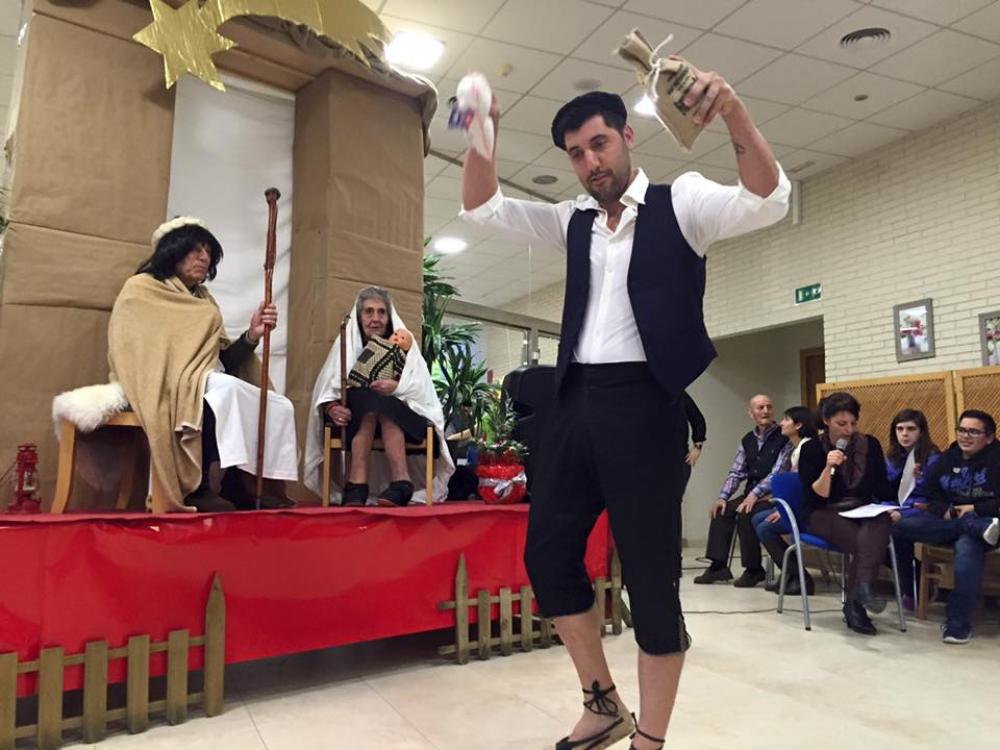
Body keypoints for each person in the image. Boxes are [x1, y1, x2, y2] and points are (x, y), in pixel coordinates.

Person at [460, 65, 789, 747]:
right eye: (576, 153)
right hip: (573, 403)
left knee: (651, 578)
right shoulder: (573, 222)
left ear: (627, 137)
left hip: (646, 407)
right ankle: (603, 702)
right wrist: (481, 135)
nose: (590, 162)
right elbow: (482, 208)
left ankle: (651, 740)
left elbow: (768, 199)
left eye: (599, 144)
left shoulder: (682, 203)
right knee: (548, 557)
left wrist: (731, 109)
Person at [108, 217, 298, 513]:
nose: (204, 257)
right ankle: (198, 487)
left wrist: (252, 335)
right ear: (172, 250)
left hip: (202, 380)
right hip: (156, 381)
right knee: (222, 391)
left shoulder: (204, 299)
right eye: (196, 249)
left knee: (276, 403)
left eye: (208, 251)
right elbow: (135, 354)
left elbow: (221, 362)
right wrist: (184, 376)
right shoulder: (141, 288)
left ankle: (242, 481)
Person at [303, 286, 453, 506]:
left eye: (382, 312)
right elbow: (328, 389)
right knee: (369, 402)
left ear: (389, 317)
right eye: (369, 312)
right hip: (354, 419)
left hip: (406, 419)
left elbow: (421, 389)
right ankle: (401, 481)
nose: (375, 319)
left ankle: (357, 483)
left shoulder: (404, 348)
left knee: (378, 402)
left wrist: (397, 386)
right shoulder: (345, 346)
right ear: (359, 316)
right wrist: (332, 408)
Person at [892, 410, 1000, 644]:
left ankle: (958, 623)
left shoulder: (997, 458)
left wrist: (976, 509)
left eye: (974, 432)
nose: (965, 436)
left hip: (991, 523)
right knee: (900, 526)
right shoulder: (947, 458)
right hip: (954, 522)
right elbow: (932, 495)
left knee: (967, 547)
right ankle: (972, 526)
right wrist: (947, 510)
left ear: (989, 437)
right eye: (962, 430)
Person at [797, 392, 894, 635]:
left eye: (853, 423)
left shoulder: (870, 444)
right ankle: (857, 603)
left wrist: (902, 489)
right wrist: (828, 467)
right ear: (826, 420)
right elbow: (816, 498)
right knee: (866, 544)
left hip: (861, 508)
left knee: (882, 519)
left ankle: (858, 597)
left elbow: (881, 488)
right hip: (823, 511)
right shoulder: (811, 448)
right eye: (841, 424)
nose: (849, 430)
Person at [693, 394, 788, 588]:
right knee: (722, 510)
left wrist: (754, 495)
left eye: (769, 407)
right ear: (751, 413)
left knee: (746, 512)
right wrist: (722, 497)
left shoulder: (784, 437)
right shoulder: (747, 440)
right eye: (760, 408)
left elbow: (777, 473)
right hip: (751, 493)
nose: (766, 411)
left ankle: (754, 570)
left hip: (773, 494)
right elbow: (736, 472)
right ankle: (718, 566)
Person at [752, 406, 819, 595]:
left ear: (798, 425)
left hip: (809, 510)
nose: (781, 423)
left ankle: (799, 577)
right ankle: (790, 574)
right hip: (797, 505)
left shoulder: (808, 448)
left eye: (786, 419)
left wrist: (782, 511)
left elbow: (804, 487)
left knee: (765, 527)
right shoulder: (795, 448)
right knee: (757, 518)